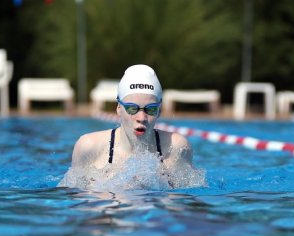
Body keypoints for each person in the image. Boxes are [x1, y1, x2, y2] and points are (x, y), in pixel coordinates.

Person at [61, 64, 200, 189]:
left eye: (151, 109)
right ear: (118, 108)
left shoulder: (176, 148)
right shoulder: (89, 147)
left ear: (159, 111)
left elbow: (184, 203)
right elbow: (71, 200)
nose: (141, 118)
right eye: (132, 108)